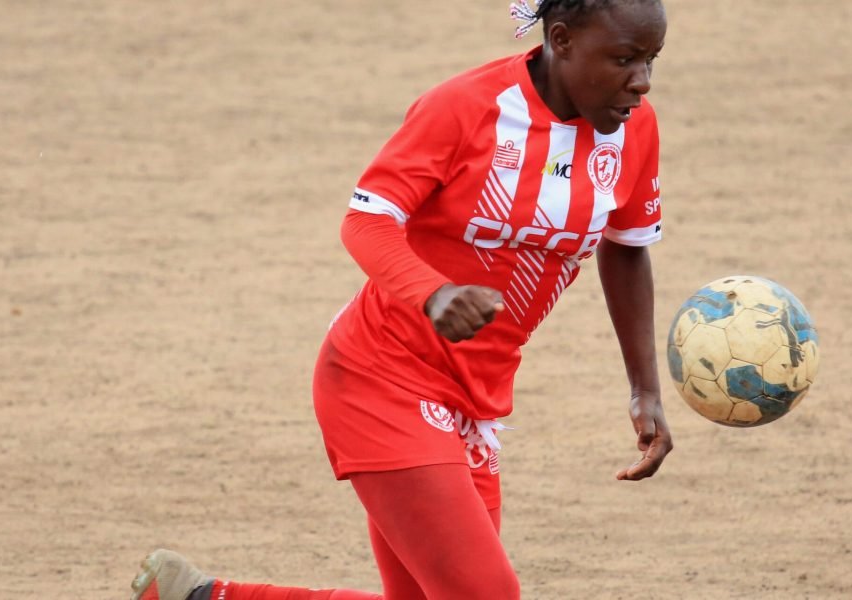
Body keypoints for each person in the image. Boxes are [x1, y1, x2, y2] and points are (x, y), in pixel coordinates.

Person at [130, 1, 670, 598]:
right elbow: (366, 222)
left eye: (651, 60)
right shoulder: (466, 108)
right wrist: (431, 293)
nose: (641, 82)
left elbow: (625, 247)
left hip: (474, 401)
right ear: (561, 40)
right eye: (624, 59)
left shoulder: (632, 129)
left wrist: (644, 388)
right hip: (380, 379)